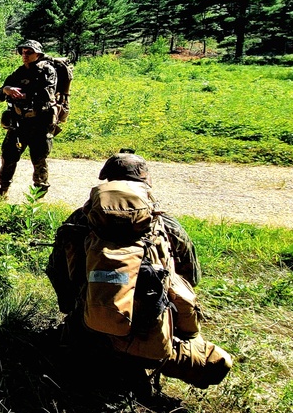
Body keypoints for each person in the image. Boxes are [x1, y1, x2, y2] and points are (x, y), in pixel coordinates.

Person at [46, 152, 232, 390]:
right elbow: (191, 277)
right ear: (146, 183)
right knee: (214, 361)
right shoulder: (165, 225)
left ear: (106, 181)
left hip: (86, 329)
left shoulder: (80, 220)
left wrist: (76, 306)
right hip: (150, 333)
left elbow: (57, 272)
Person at [0, 39, 58, 199]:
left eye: (29, 52)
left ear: (38, 54)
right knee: (8, 156)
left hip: (39, 123)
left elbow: (48, 94)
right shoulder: (19, 72)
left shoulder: (47, 71)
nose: (25, 55)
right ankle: (3, 190)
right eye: (23, 52)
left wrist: (26, 95)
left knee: (39, 159)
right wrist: (6, 90)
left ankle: (38, 195)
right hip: (18, 123)